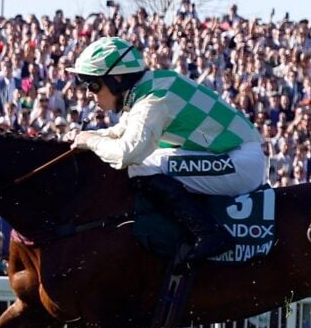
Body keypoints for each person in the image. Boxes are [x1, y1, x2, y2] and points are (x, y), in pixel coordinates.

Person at [64, 37, 266, 304]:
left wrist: (91, 141)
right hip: (231, 153)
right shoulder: (148, 87)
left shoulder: (152, 101)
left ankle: (208, 234)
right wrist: (85, 137)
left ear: (117, 79)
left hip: (241, 162)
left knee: (141, 165)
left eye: (93, 85)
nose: (90, 94)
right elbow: (119, 132)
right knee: (148, 162)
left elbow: (126, 153)